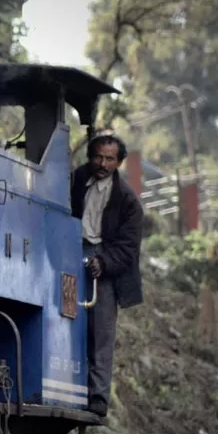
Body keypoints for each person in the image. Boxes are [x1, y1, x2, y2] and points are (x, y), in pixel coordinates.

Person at [70, 134, 144, 417]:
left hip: (106, 261)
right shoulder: (76, 181)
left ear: (119, 162)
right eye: (98, 157)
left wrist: (104, 261)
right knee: (67, 320)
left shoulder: (127, 200)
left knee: (101, 330)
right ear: (91, 157)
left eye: (109, 159)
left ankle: (98, 397)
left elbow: (128, 248)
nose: (102, 163)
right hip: (72, 249)